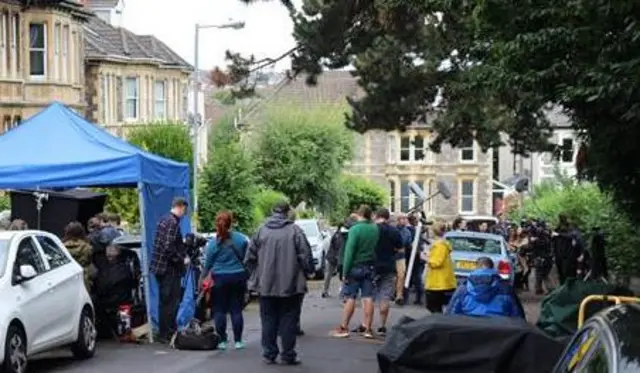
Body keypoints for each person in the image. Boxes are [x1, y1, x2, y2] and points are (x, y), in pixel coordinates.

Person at [245, 202, 313, 365]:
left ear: (272, 211)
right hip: (291, 284)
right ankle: (288, 354)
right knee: (288, 319)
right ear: (287, 212)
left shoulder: (261, 231)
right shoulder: (295, 231)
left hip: (266, 284)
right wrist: (307, 271)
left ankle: (269, 353)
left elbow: (249, 258)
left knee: (268, 319)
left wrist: (257, 275)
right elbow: (305, 257)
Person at [202, 211, 249, 351]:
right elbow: (246, 259)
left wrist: (202, 280)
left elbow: (207, 265)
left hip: (219, 279)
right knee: (236, 310)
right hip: (238, 277)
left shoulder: (212, 245)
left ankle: (222, 341)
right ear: (231, 223)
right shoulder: (241, 240)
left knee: (219, 310)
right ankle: (238, 341)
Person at [331, 205, 379, 339]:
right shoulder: (374, 229)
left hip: (355, 267)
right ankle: (368, 328)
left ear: (360, 214)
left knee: (350, 297)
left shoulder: (355, 229)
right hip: (369, 266)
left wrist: (345, 271)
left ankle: (343, 327)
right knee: (368, 297)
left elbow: (349, 252)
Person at [149, 197, 189, 343]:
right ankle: (167, 332)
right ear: (180, 207)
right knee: (171, 301)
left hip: (159, 267)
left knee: (163, 301)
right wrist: (181, 259)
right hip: (169, 269)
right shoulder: (173, 223)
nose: (184, 214)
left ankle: (164, 331)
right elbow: (168, 247)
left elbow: (163, 244)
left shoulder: (163, 220)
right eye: (184, 210)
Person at [446, 257, 524, 318]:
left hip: (469, 332)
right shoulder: (506, 289)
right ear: (492, 268)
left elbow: (450, 315)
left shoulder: (463, 289)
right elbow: (518, 317)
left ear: (476, 268)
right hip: (500, 334)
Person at [371, 208, 402, 336]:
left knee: (369, 296)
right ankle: (382, 326)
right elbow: (400, 248)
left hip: (372, 265)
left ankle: (367, 324)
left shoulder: (372, 230)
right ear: (388, 217)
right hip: (389, 266)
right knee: (385, 296)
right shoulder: (394, 231)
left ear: (377, 216)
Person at [422, 222, 456, 314]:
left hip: (438, 282)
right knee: (436, 307)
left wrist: (425, 258)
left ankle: (439, 325)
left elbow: (437, 263)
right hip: (441, 281)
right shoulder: (442, 244)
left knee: (433, 307)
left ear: (434, 231)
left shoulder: (440, 245)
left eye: (430, 230)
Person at [63, 221, 94, 291]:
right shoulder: (87, 247)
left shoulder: (61, 246)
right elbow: (89, 262)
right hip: (82, 277)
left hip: (66, 277)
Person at [323, 220, 350, 298]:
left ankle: (325, 291)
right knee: (340, 274)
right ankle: (341, 291)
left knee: (329, 275)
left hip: (331, 256)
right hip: (335, 257)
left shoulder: (336, 234)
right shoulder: (341, 236)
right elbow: (339, 248)